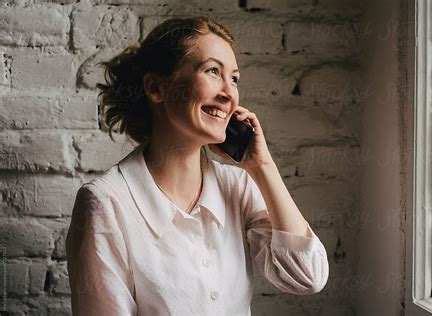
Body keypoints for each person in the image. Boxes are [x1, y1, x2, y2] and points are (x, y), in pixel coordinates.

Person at [65, 16, 329, 316]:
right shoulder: (107, 202)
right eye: (213, 71)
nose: (229, 93)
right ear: (155, 88)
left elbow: (308, 277)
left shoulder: (238, 185)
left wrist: (262, 166)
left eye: (234, 78)